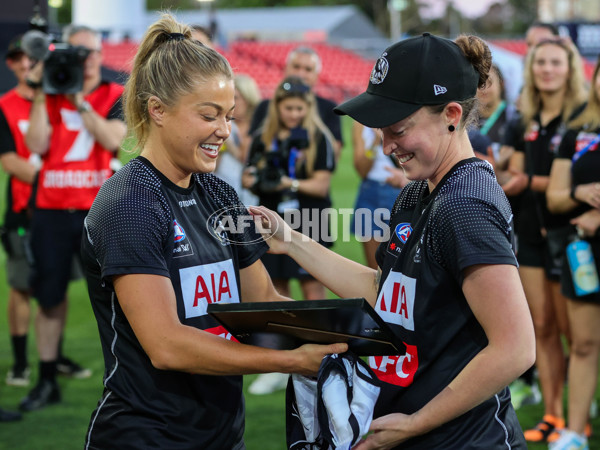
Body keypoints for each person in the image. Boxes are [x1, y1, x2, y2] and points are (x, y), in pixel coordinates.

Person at [250, 32, 535, 449]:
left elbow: (515, 348)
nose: (385, 147)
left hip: (463, 439)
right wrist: (291, 240)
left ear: (451, 114)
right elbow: (386, 291)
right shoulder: (420, 189)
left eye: (398, 129)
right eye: (381, 131)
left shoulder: (464, 206)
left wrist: (417, 422)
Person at [81, 14, 346, 449]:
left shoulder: (220, 193)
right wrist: (289, 360)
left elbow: (262, 300)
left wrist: (351, 332)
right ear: (157, 110)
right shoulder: (129, 202)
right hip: (146, 434)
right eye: (209, 115)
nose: (224, 131)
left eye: (228, 115)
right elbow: (166, 345)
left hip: (222, 433)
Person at [19, 24, 127, 412]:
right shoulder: (49, 94)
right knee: (49, 297)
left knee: (124, 296)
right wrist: (43, 88)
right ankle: (47, 377)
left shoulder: (113, 94)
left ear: (100, 54)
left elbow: (114, 139)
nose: (87, 61)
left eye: (92, 53)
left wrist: (79, 100)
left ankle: (131, 378)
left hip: (100, 208)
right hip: (51, 208)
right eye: (78, 54)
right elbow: (35, 144)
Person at [500, 36, 588, 444]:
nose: (547, 69)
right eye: (540, 63)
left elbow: (560, 182)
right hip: (531, 237)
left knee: (579, 333)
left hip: (572, 236)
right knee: (544, 327)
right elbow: (512, 173)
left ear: (570, 67)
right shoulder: (524, 117)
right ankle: (554, 413)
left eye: (555, 62)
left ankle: (578, 414)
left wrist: (523, 181)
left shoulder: (585, 118)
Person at [242, 76, 337, 395]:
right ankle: (285, 361)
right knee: (277, 291)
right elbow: (250, 177)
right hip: (272, 220)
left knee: (313, 289)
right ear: (277, 107)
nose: (293, 114)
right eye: (287, 108)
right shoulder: (262, 137)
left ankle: (323, 357)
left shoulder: (317, 137)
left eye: (299, 108)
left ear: (307, 107)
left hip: (310, 218)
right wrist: (254, 178)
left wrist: (287, 183)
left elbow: (321, 186)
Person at [545, 57, 600, 450]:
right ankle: (575, 432)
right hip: (585, 253)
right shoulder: (577, 132)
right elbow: (555, 197)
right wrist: (580, 194)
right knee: (582, 345)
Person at [0, 35, 38, 388]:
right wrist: (57, 182)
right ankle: (21, 360)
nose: (27, 64)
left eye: (32, 58)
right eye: (20, 59)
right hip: (22, 210)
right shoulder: (4, 105)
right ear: (11, 64)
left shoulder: (60, 101)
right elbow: (9, 160)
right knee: (21, 286)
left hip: (60, 211)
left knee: (54, 290)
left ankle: (52, 361)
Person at [248, 46, 342, 159]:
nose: (301, 74)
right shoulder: (264, 106)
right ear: (286, 69)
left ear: (317, 75)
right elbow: (249, 152)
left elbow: (333, 155)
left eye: (308, 69)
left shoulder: (330, 108)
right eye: (296, 67)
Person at [351, 121, 408, 269]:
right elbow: (362, 169)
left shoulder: (401, 114)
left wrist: (387, 136)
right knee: (374, 269)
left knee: (402, 264)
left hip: (398, 191)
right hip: (370, 192)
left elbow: (409, 161)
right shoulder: (360, 123)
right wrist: (376, 141)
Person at [214, 73, 260, 205]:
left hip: (251, 195)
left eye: (236, 98)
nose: (231, 103)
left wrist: (228, 142)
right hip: (224, 189)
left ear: (248, 98)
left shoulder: (260, 128)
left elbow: (245, 157)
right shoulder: (223, 125)